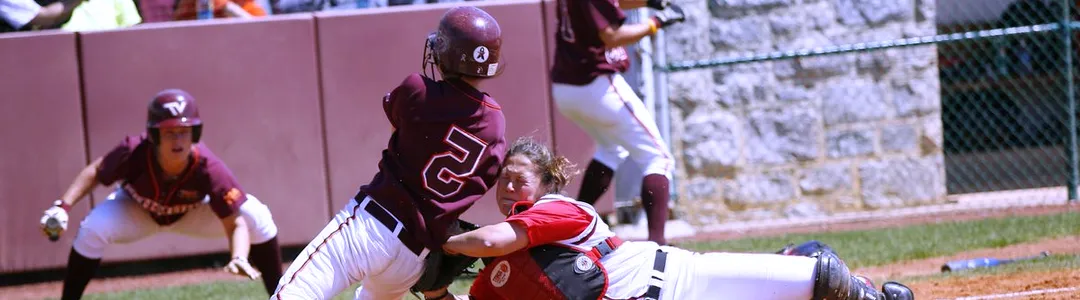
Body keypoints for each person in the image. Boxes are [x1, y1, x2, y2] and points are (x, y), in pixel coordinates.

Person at [441, 137, 916, 300]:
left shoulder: (560, 209)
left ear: (545, 184)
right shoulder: (493, 279)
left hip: (681, 277)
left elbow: (489, 242)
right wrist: (435, 288)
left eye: (518, 179)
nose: (507, 188)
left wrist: (440, 240)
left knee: (825, 273)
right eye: (502, 180)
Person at [271, 5, 507, 300]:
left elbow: (398, 122)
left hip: (373, 225)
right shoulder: (496, 125)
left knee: (293, 293)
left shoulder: (418, 90)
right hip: (414, 259)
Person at [39, 89, 285, 300]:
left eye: (184, 131)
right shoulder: (134, 151)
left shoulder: (209, 167)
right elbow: (96, 172)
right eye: (169, 132)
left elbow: (236, 223)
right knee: (93, 227)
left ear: (195, 134)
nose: (177, 139)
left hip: (192, 214)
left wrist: (239, 256)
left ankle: (282, 295)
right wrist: (63, 205)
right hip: (137, 211)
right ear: (154, 136)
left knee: (256, 214)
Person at [550, 0, 687, 245]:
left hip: (566, 87)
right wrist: (656, 22)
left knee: (611, 149)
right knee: (659, 158)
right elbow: (612, 36)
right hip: (594, 83)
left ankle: (574, 232)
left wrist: (647, 2)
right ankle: (658, 246)